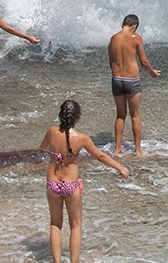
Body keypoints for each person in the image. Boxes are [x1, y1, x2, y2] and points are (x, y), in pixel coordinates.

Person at [39, 100, 129, 263]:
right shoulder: (81, 138)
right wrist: (120, 167)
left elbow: (43, 147)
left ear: (61, 115)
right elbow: (100, 156)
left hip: (53, 183)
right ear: (78, 118)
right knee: (75, 225)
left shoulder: (51, 132)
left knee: (55, 224)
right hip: (71, 185)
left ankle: (56, 261)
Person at [107, 14, 162, 156]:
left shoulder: (113, 39)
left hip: (117, 79)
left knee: (120, 115)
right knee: (135, 115)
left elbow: (111, 61)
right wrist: (152, 72)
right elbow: (143, 61)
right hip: (131, 80)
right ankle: (138, 150)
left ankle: (117, 148)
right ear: (134, 26)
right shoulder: (136, 38)